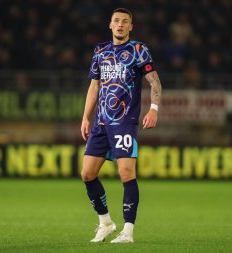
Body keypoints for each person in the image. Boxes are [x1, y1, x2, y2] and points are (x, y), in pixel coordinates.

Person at [80, 8, 162, 243]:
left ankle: (128, 231)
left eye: (125, 21)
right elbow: (94, 86)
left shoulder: (138, 50)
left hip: (124, 121)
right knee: (87, 174)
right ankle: (105, 222)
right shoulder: (100, 50)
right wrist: (86, 117)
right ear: (110, 25)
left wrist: (154, 109)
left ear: (130, 27)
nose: (120, 24)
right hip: (101, 122)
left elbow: (154, 81)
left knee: (126, 173)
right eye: (116, 21)